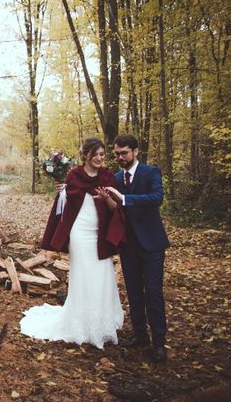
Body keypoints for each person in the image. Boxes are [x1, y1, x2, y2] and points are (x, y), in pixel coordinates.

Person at [20, 138, 126, 349]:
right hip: (79, 232)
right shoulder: (74, 175)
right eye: (95, 154)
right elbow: (64, 204)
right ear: (86, 155)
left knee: (102, 273)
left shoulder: (107, 177)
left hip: (99, 233)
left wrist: (106, 198)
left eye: (102, 155)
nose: (99, 158)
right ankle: (81, 322)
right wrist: (61, 193)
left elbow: (115, 208)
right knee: (83, 273)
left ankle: (101, 320)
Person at [105, 134, 169, 363]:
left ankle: (159, 342)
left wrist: (126, 198)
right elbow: (113, 207)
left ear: (136, 152)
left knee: (153, 293)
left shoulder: (151, 172)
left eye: (124, 153)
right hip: (128, 244)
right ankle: (140, 335)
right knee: (133, 292)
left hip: (152, 244)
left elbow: (156, 198)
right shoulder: (115, 177)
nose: (120, 158)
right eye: (117, 154)